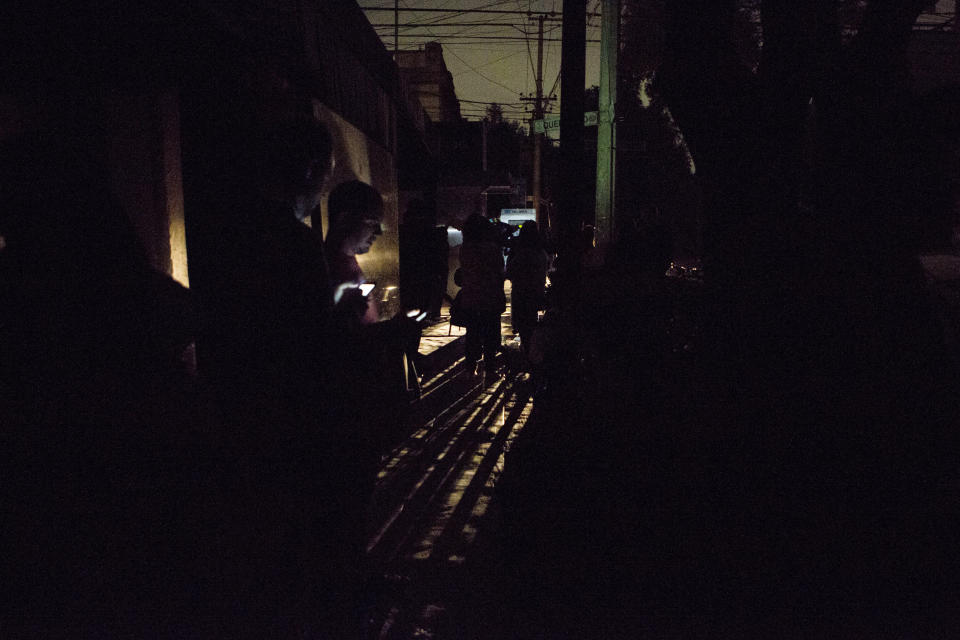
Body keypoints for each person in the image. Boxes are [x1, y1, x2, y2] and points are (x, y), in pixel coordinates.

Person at [459, 213, 506, 377]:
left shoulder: (465, 248)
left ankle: (470, 367)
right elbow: (500, 270)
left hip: (471, 297)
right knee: (491, 334)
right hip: (490, 296)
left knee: (472, 333)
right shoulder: (492, 249)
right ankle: (490, 368)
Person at [506, 221, 548, 360]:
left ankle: (526, 350)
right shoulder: (540, 251)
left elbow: (510, 271)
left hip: (520, 292)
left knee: (523, 323)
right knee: (531, 320)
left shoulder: (519, 251)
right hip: (536, 291)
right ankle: (531, 353)